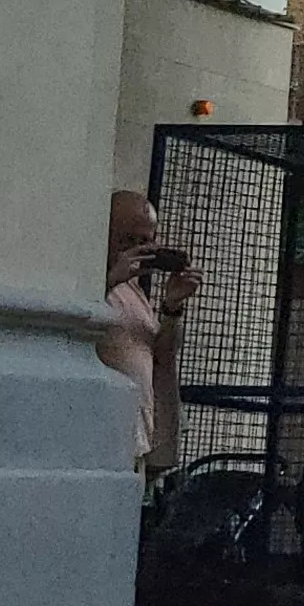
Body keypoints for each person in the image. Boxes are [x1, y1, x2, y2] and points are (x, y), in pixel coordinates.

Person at [100, 190, 197, 477]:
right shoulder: (94, 279)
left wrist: (172, 306)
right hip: (103, 427)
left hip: (137, 431)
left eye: (146, 242)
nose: (138, 250)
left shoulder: (134, 290)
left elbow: (161, 354)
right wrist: (111, 278)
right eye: (128, 240)